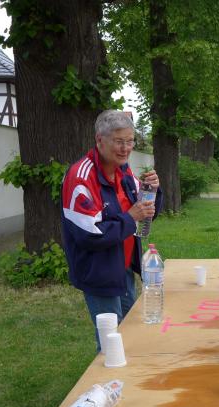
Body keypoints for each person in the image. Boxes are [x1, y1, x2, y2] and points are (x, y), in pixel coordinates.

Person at [61, 110, 163, 352]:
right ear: (100, 140)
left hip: (122, 267)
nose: (125, 148)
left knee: (129, 333)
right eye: (119, 141)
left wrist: (153, 191)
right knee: (111, 343)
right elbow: (90, 235)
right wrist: (131, 217)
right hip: (99, 273)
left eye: (130, 141)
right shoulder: (80, 178)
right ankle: (107, 375)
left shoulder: (123, 170)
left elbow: (145, 211)